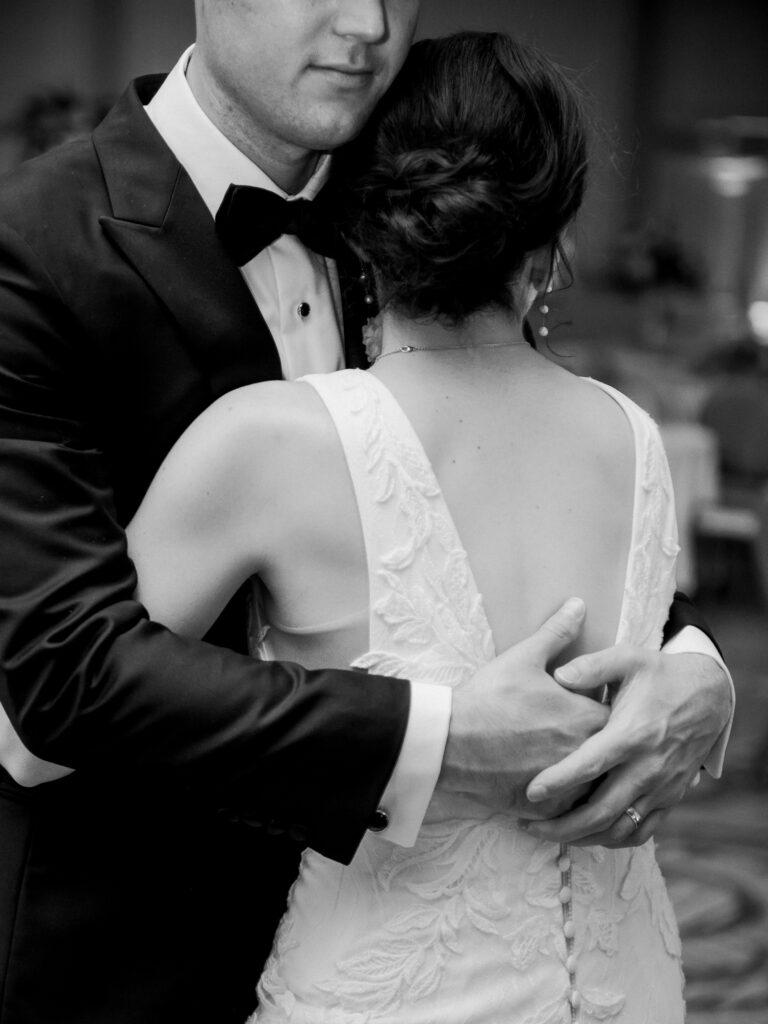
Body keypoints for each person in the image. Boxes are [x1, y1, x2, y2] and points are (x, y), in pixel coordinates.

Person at [0, 3, 731, 1023]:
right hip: (141, 950)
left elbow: (562, 544)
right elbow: (53, 682)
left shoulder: (416, 185)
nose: (368, 21)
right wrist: (436, 734)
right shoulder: (31, 247)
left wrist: (701, 666)